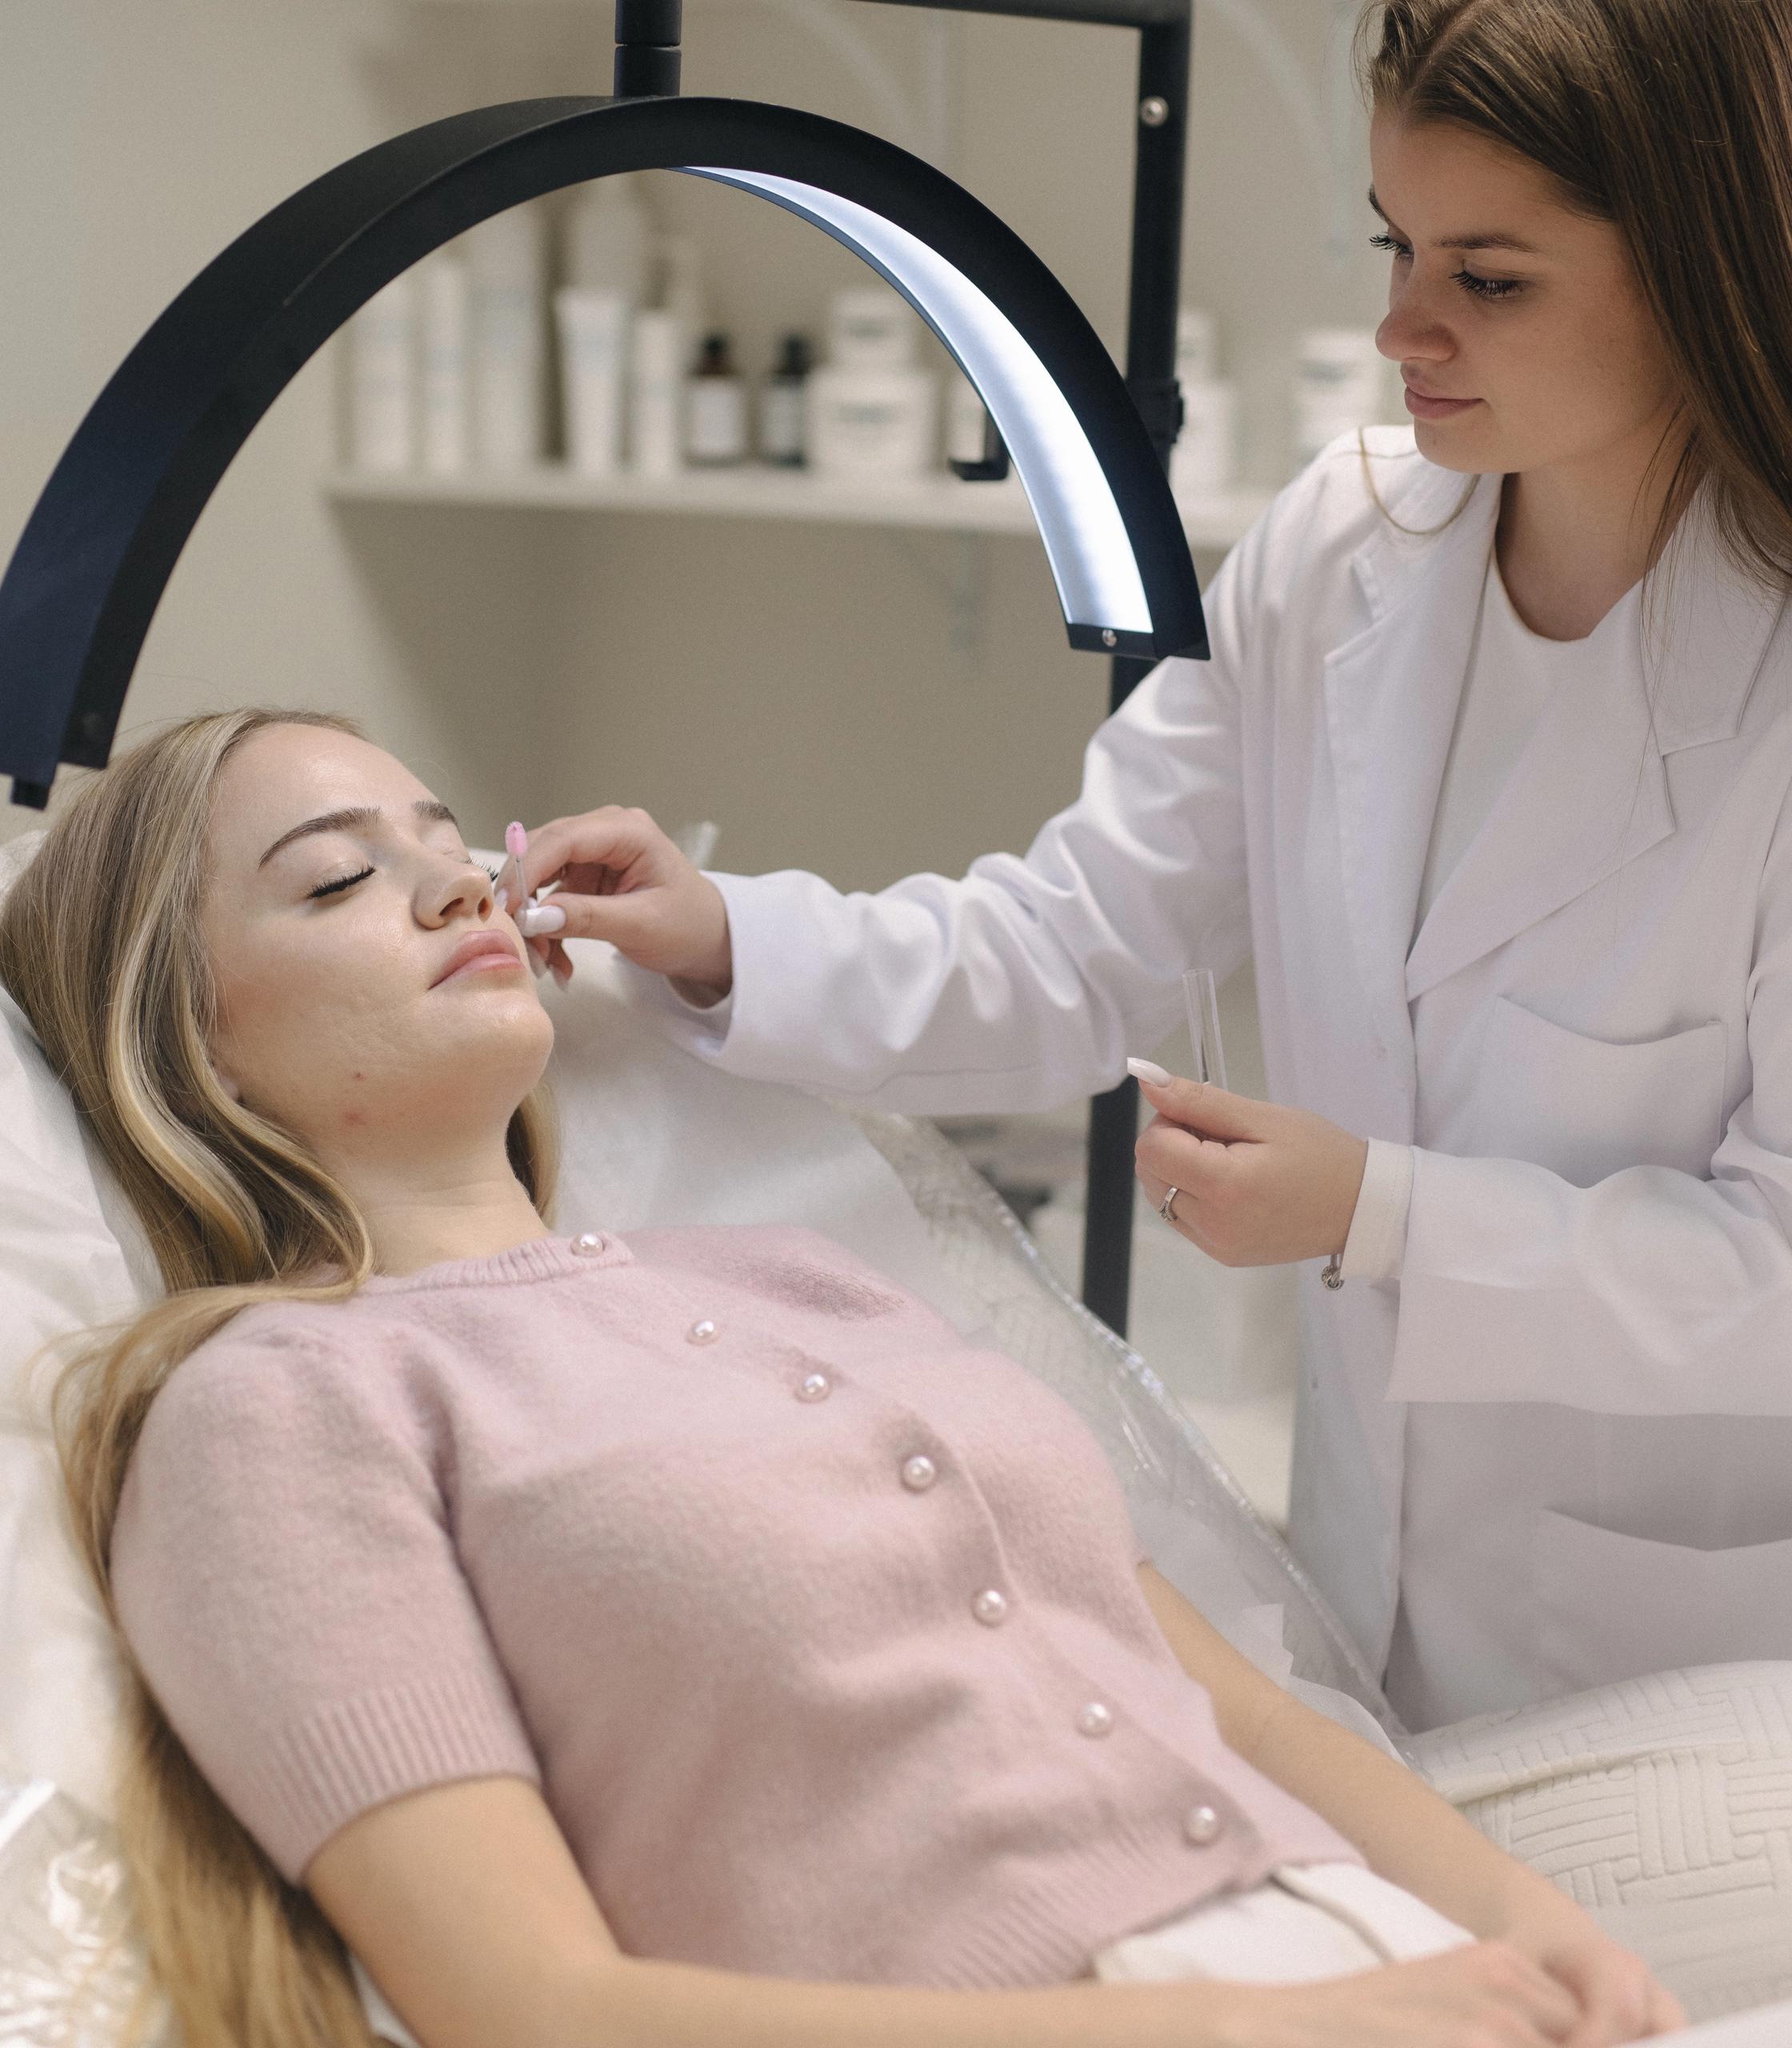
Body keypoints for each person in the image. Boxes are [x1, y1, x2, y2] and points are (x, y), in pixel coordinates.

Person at [0, 708, 1680, 2048]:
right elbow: (528, 2011)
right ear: (183, 1032)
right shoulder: (272, 1409)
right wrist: (1234, 2021)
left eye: (448, 840)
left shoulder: (792, 1278)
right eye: (334, 879)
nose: (451, 888)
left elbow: (1226, 1701)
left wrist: (1535, 1928)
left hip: (1399, 1977)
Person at [514, 0, 1792, 1733]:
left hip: (1684, 1666)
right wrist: (726, 935)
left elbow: (1769, 1275)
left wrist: (1375, 1210)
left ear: (1709, 266)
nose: (1398, 324)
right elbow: (1078, 941)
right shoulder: (1340, 543)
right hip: (1361, 1608)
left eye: (1486, 278)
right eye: (1390, 243)